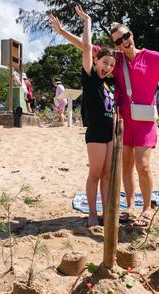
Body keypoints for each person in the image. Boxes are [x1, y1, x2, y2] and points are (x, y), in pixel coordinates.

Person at [50, 9, 159, 226]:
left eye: (126, 36)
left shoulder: (151, 57)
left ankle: (146, 208)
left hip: (144, 121)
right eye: (119, 40)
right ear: (115, 45)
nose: (125, 41)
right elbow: (85, 47)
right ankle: (131, 206)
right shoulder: (116, 60)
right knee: (125, 166)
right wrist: (62, 32)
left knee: (143, 166)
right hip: (123, 121)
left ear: (131, 35)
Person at [72, 6, 118, 227]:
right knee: (96, 174)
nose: (107, 67)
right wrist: (87, 21)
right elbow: (87, 47)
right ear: (96, 61)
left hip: (110, 133)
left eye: (111, 65)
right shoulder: (90, 78)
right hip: (96, 134)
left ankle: (106, 212)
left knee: (108, 175)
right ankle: (92, 213)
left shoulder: (108, 84)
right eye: (104, 62)